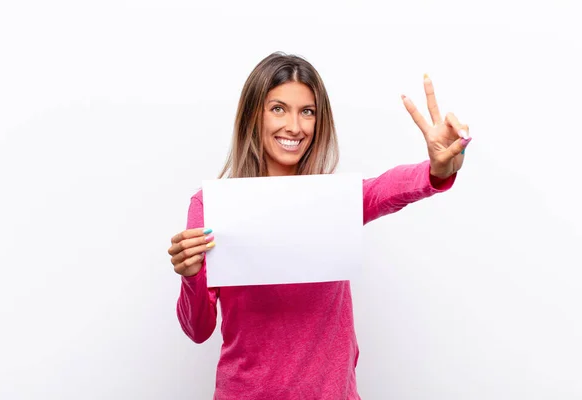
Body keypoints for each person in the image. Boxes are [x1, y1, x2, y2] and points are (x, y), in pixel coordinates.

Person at [168, 52, 471, 399]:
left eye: (307, 111)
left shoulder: (331, 200)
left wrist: (437, 170)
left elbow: (384, 190)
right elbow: (197, 329)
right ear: (254, 115)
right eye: (278, 108)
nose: (295, 127)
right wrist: (191, 276)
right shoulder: (211, 207)